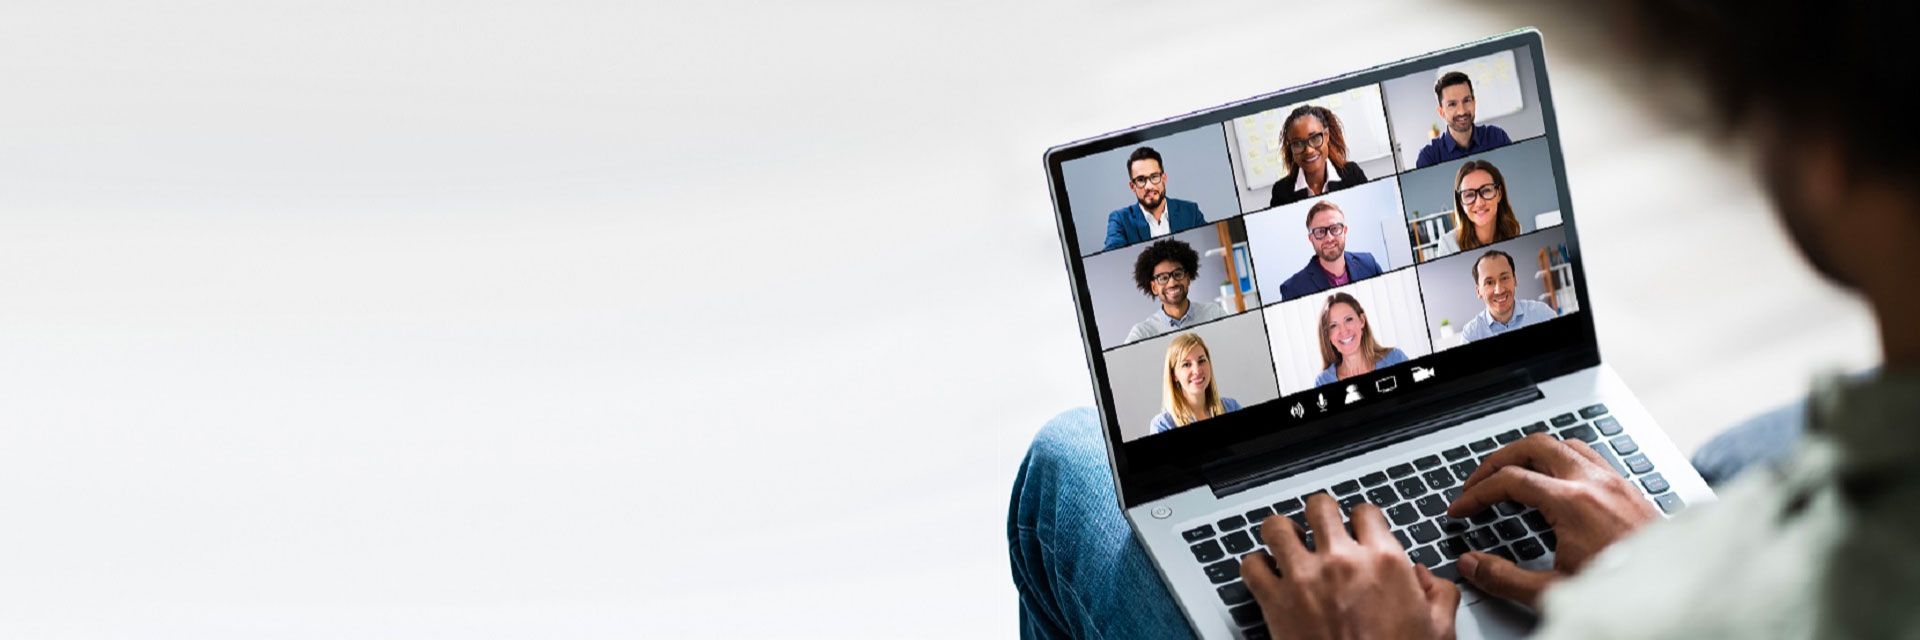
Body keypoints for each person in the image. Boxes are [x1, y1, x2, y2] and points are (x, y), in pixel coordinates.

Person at [1014, 4, 1920, 637]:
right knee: (1711, 468)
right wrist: (1673, 558)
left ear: (1827, 157)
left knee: (1070, 466)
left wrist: (1675, 594)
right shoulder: (1287, 257)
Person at [1103, 147, 1209, 250]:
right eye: (1141, 179)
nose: (1149, 186)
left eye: (1154, 177)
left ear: (1164, 179)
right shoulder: (1120, 220)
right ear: (1132, 186)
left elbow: (1207, 245)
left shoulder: (1191, 212)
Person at [1124, 239, 1228, 343]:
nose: (1172, 283)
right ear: (1154, 288)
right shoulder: (1142, 333)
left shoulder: (1214, 314)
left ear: (1188, 279)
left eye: (1178, 274)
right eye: (1163, 278)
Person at [1277, 200, 1385, 300]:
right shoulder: (1293, 289)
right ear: (1311, 239)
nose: (1329, 238)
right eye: (1320, 232)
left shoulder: (1369, 264)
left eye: (1335, 228)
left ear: (1345, 231)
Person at [1268, 105, 1368, 208]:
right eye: (1297, 143)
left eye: (1315, 138)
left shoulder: (1352, 175)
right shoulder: (1281, 192)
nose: (1309, 150)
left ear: (1326, 135)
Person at [1413, 71, 1514, 168]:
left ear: (1474, 103)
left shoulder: (1496, 137)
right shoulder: (1429, 157)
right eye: (1452, 104)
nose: (1462, 111)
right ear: (1441, 112)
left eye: (1466, 100)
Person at [1148, 333, 1242, 434]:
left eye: (1201, 361)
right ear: (1174, 376)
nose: (1197, 371)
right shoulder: (1163, 425)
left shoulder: (1231, 407)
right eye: (1186, 364)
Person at [1460, 249, 1557, 342]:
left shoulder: (1542, 314)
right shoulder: (1470, 335)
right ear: (1478, 291)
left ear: (1515, 280)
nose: (1499, 290)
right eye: (1489, 282)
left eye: (1504, 278)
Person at [1312, 292, 1408, 385]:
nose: (1344, 331)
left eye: (1348, 319)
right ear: (1328, 335)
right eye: (1333, 325)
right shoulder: (1323, 382)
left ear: (1362, 320)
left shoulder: (1395, 359)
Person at [1434, 159, 1522, 257]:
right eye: (1469, 195)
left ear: (1499, 193)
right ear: (1461, 202)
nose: (1479, 203)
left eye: (1486, 190)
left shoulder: (1515, 231)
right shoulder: (1448, 245)